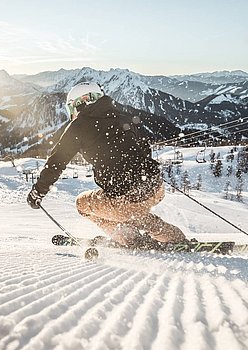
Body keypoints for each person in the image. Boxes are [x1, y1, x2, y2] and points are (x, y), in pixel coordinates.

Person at [27, 81, 187, 248]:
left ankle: (128, 238)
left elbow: (56, 161)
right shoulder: (122, 116)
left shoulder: (79, 125)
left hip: (126, 199)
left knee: (82, 204)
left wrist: (38, 191)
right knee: (133, 208)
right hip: (155, 187)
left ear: (80, 103)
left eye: (72, 107)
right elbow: (144, 150)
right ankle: (163, 233)